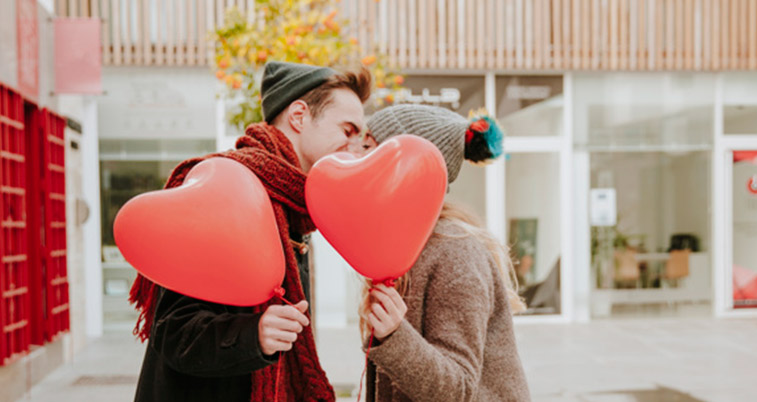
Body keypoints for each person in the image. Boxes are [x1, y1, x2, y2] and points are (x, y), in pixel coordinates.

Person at [131, 61, 371, 402]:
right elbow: (172, 330)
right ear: (299, 116)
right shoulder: (228, 190)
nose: (355, 146)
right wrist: (253, 334)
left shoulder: (295, 205)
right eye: (347, 130)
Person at [355, 104, 531, 401]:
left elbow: (458, 389)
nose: (354, 158)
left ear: (407, 165)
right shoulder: (401, 244)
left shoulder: (455, 252)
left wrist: (395, 335)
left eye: (368, 146)